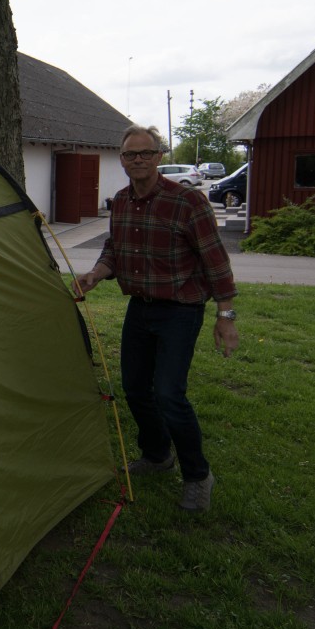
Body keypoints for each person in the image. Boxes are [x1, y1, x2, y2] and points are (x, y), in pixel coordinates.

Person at [74, 126, 238, 513]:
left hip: (181, 310)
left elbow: (215, 260)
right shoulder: (121, 201)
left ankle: (197, 475)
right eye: (130, 155)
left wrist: (225, 315)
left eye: (145, 153)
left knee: (168, 394)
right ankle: (157, 455)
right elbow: (114, 249)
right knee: (134, 388)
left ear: (158, 156)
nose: (138, 160)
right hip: (141, 308)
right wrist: (96, 274)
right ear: (122, 160)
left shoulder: (187, 201)